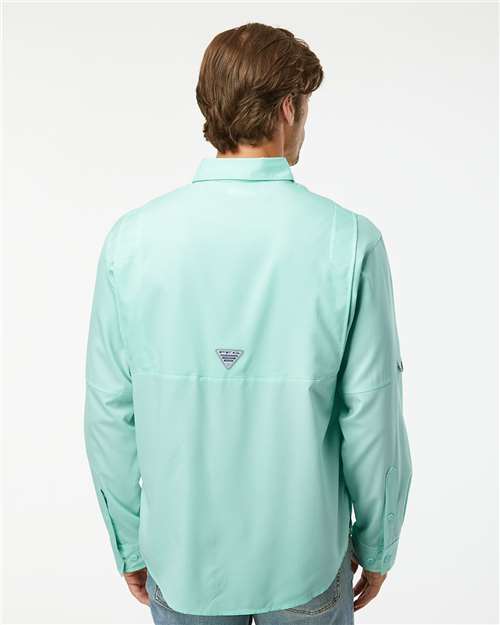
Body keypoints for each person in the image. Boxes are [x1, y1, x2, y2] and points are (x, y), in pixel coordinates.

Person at [84, 22, 413, 625]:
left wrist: (128, 543)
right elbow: (373, 415)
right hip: (308, 562)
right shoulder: (350, 241)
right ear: (288, 108)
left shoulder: (130, 242)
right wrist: (379, 543)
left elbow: (109, 413)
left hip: (182, 562)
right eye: (305, 107)